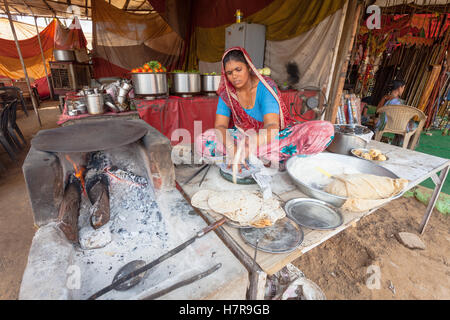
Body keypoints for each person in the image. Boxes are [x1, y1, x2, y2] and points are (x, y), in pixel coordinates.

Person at [195, 47, 334, 171]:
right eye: (229, 72)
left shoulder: (265, 86)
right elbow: (220, 126)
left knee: (324, 130)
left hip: (271, 137)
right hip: (244, 136)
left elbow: (272, 126)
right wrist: (233, 149)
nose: (234, 76)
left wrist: (249, 148)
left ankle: (254, 156)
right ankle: (268, 158)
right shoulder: (227, 93)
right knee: (203, 140)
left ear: (249, 68)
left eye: (238, 69)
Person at [375, 79, 417, 146]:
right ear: (399, 87)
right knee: (414, 126)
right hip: (397, 125)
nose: (403, 90)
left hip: (383, 124)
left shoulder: (386, 97)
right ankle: (403, 145)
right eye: (403, 88)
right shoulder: (398, 102)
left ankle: (397, 143)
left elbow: (377, 110)